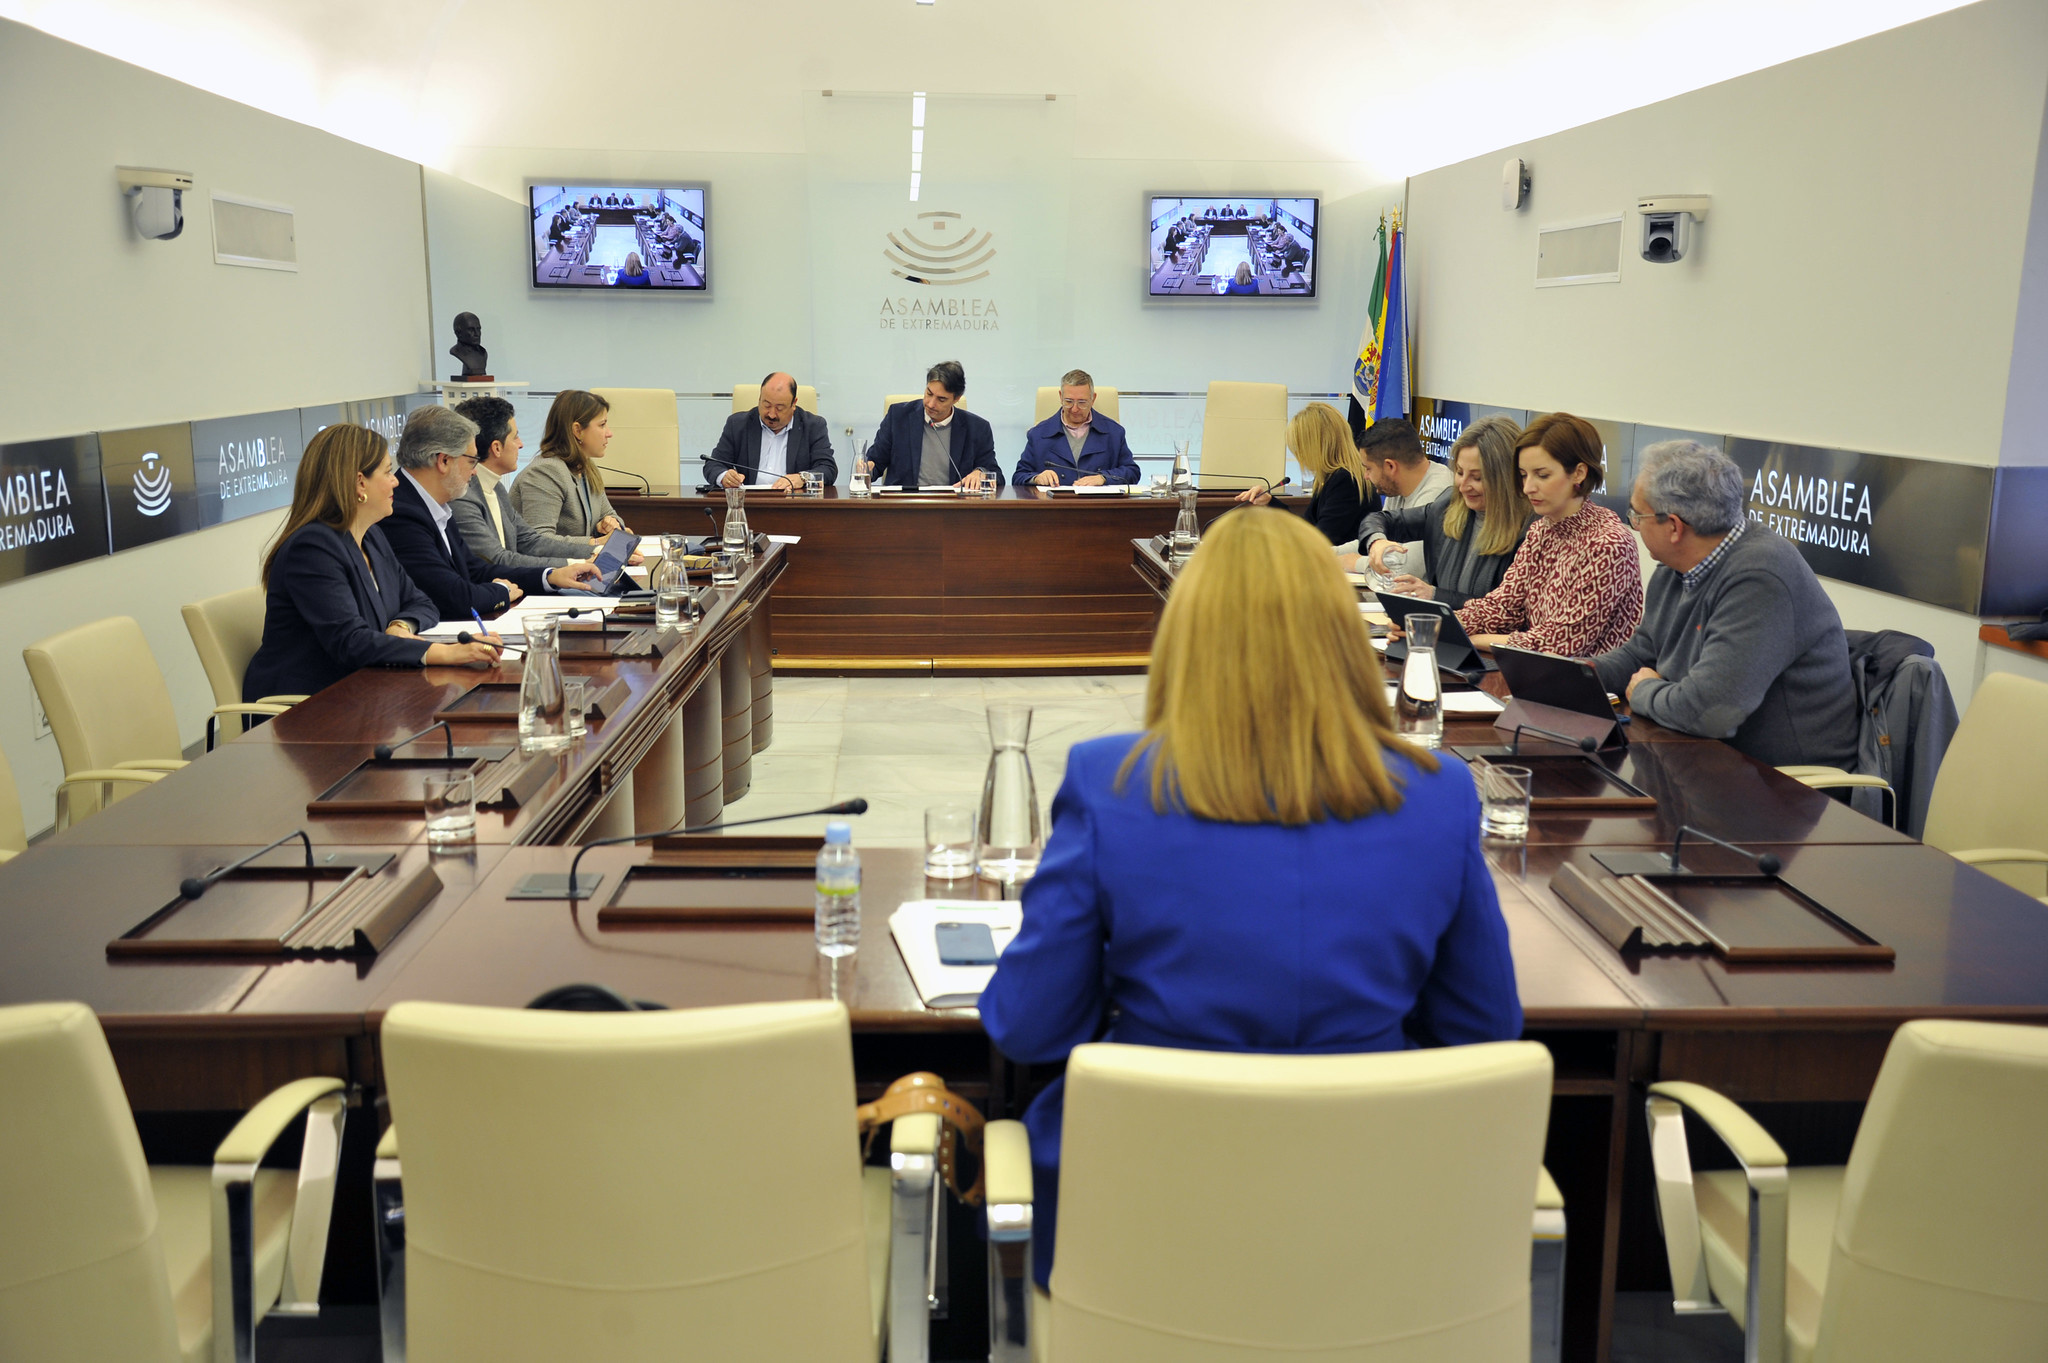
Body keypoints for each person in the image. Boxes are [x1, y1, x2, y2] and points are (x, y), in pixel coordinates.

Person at [979, 506, 1522, 1292]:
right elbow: (1486, 1034)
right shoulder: (1438, 797)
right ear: (1342, 637)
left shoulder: (1112, 782)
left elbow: (1029, 1026)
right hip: (1370, 1240)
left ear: (1187, 635)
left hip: (1140, 1238)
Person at [1596, 441, 1858, 767]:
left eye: (1637, 514)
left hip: (1782, 788)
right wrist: (1576, 675)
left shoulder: (1761, 576)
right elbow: (1641, 654)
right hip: (1697, 759)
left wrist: (1646, 691)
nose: (1632, 523)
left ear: (1674, 527)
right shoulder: (1674, 568)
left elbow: (1710, 712)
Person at [244, 423, 502, 701]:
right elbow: (351, 641)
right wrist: (444, 653)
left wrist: (400, 627)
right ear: (359, 482)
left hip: (365, 689)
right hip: (307, 706)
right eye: (388, 471)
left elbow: (421, 602)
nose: (396, 481)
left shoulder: (372, 535)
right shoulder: (312, 548)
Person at [385, 405, 603, 619]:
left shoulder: (436, 503)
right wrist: (502, 592)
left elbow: (476, 570)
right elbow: (454, 595)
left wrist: (550, 576)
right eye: (471, 461)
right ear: (444, 461)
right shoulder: (402, 514)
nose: (474, 471)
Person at [1456, 412, 1644, 656]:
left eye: (1542, 475)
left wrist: (1479, 639)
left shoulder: (1609, 544)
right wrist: (1436, 624)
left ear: (1579, 473)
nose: (1528, 487)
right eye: (1524, 475)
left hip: (1594, 688)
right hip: (1538, 678)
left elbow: (1559, 644)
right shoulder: (1541, 531)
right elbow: (1502, 607)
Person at [1357, 414, 1533, 607]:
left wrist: (1434, 595)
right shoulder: (1447, 506)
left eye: (1477, 478)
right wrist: (1377, 541)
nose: (1463, 486)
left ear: (1506, 477)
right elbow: (1379, 520)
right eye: (1459, 472)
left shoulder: (1529, 533)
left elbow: (1506, 611)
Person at [449, 395, 608, 571]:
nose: (521, 444)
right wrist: (574, 564)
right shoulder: (463, 496)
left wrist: (597, 551)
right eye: (515, 437)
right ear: (496, 448)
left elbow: (531, 541)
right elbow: (497, 559)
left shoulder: (496, 487)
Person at [1232, 400, 1370, 544]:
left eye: (1299, 448)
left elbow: (1320, 540)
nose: (1299, 456)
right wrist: (1270, 502)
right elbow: (1307, 527)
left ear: (1317, 446)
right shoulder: (1332, 477)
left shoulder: (1346, 480)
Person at [857, 360, 1000, 489]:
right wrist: (867, 468)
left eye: (941, 399)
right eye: (929, 393)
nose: (931, 404)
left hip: (953, 509)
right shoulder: (898, 417)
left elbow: (995, 474)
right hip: (904, 507)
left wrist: (981, 473)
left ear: (956, 399)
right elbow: (876, 461)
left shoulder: (978, 428)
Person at [512, 390, 634, 538]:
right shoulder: (545, 472)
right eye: (602, 425)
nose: (609, 433)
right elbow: (540, 539)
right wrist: (596, 543)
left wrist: (610, 524)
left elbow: (609, 514)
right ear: (577, 430)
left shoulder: (586, 467)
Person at [1333, 418, 1453, 562]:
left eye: (1368, 468)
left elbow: (1408, 565)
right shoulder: (1395, 486)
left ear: (1390, 466)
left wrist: (1351, 562)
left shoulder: (1439, 492)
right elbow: (1376, 541)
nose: (1365, 476)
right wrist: (1329, 553)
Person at [704, 372, 839, 492]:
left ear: (794, 404)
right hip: (749, 506)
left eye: (780, 408)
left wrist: (801, 478)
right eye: (766, 405)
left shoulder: (813, 426)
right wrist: (724, 477)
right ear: (760, 398)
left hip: (794, 507)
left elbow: (828, 469)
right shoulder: (738, 424)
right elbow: (713, 464)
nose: (772, 414)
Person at [1013, 369, 1140, 487]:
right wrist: (1036, 478)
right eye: (1068, 401)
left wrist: (1104, 478)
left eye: (1082, 402)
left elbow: (1132, 472)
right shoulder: (1038, 434)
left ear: (1093, 399)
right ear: (1060, 397)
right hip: (1055, 508)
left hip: (1099, 508)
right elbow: (1018, 477)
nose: (1074, 409)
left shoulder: (1114, 433)